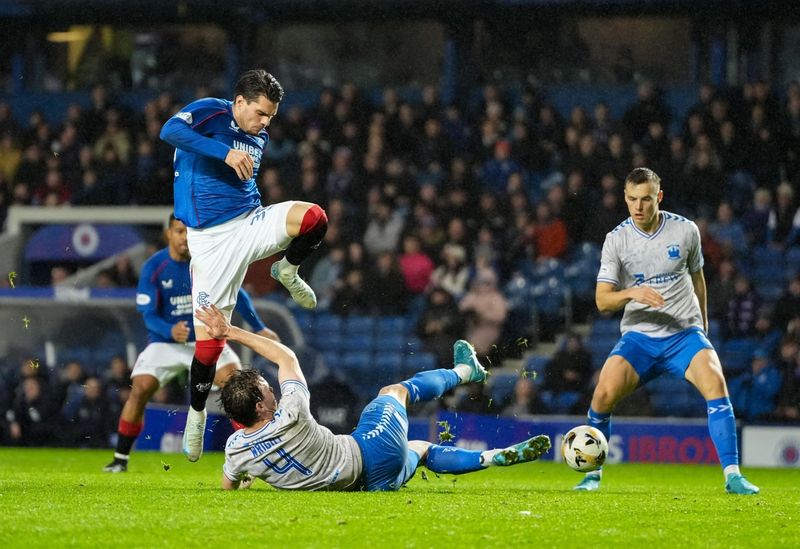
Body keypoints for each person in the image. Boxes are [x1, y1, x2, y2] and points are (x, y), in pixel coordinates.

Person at [195, 304, 551, 492]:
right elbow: (286, 357)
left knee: (421, 450)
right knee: (391, 392)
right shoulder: (292, 412)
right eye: (265, 386)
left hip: (366, 486)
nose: (271, 386)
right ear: (260, 405)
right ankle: (465, 372)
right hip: (369, 453)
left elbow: (230, 485)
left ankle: (492, 457)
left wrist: (253, 472)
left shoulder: (236, 449)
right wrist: (231, 331)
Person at [159, 69, 328, 461]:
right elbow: (169, 130)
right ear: (239, 102)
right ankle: (197, 415)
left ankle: (286, 268)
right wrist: (224, 152)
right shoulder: (211, 113)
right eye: (260, 113)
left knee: (315, 218)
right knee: (210, 344)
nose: (265, 123)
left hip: (250, 222)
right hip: (210, 242)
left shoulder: (259, 134)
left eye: (270, 116)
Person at [577, 167, 759, 495]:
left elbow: (697, 277)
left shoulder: (685, 231)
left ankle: (733, 476)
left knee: (716, 383)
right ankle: (592, 475)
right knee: (603, 393)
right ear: (625, 198)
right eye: (632, 199)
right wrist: (631, 292)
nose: (639, 207)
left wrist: (701, 324)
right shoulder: (616, 240)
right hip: (639, 337)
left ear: (658, 197)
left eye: (646, 199)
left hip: (682, 335)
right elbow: (602, 301)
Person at [103, 214, 278, 473]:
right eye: (179, 232)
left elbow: (236, 293)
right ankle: (120, 459)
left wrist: (259, 327)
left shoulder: (206, 259)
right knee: (140, 388)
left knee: (236, 388)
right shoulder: (155, 266)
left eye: (188, 232)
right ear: (169, 235)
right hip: (167, 343)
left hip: (207, 338)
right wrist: (169, 330)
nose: (185, 238)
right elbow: (148, 314)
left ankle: (251, 458)